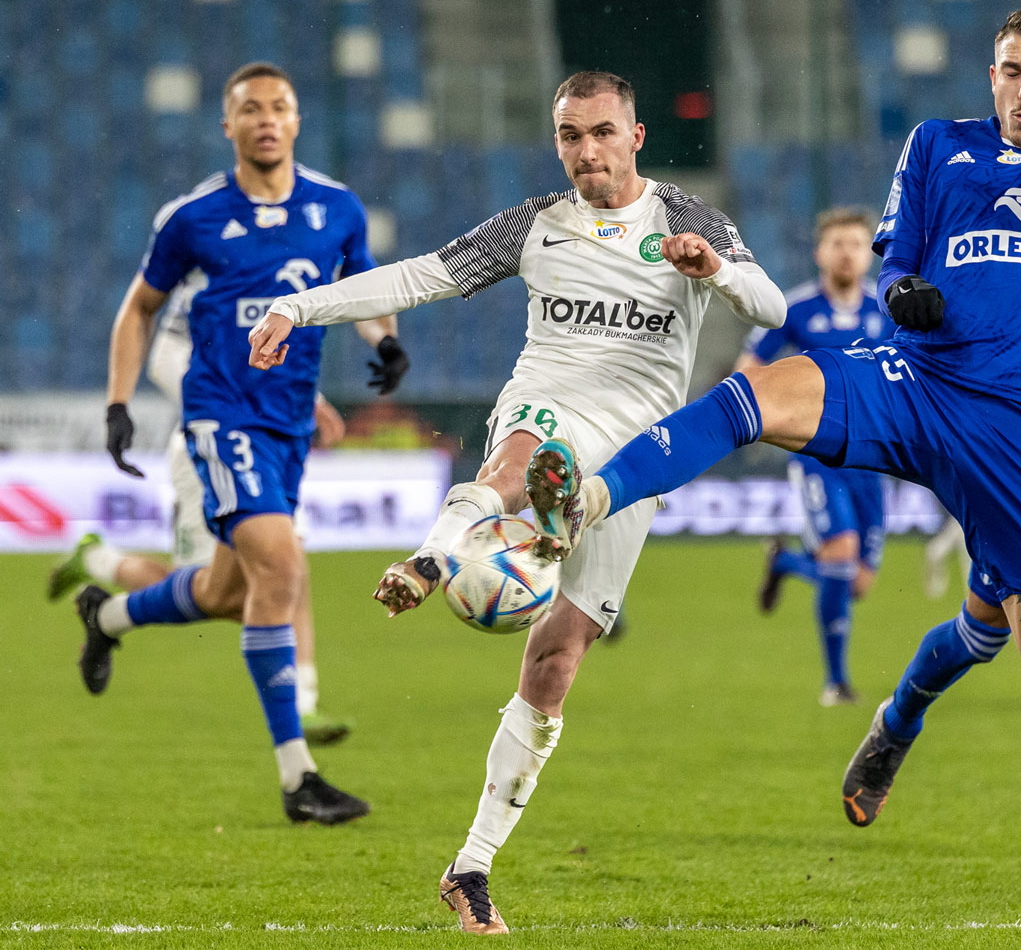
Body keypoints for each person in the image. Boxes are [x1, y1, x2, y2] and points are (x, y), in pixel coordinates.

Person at [522, 0, 1021, 927]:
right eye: (1009, 72)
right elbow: (899, 254)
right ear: (989, 77)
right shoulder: (939, 146)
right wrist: (903, 292)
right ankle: (593, 497)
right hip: (922, 382)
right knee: (762, 390)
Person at [245, 71, 786, 933]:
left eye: (602, 133)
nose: (586, 152)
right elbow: (421, 276)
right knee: (520, 455)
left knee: (555, 662)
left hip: (633, 460)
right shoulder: (535, 224)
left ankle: (471, 867)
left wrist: (715, 269)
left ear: (636, 136)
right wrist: (299, 307)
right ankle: (434, 555)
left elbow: (773, 304)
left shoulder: (686, 218)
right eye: (570, 136)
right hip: (549, 402)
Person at [72, 61, 404, 824]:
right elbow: (139, 309)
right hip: (221, 416)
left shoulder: (335, 209)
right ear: (228, 126)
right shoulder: (193, 218)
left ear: (295, 122)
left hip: (288, 425)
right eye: (249, 109)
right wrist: (119, 403)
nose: (265, 119)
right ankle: (298, 779)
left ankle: (108, 616)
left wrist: (384, 343)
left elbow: (368, 289)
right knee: (283, 565)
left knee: (227, 593)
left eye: (279, 107)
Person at [47, 282, 387, 744]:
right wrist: (232, 410)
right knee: (207, 590)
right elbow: (166, 361)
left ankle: (304, 704)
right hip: (208, 448)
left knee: (289, 568)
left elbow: (273, 356)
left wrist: (311, 400)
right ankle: (98, 563)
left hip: (267, 447)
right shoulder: (210, 272)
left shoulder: (281, 268)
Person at [737, 207, 892, 706]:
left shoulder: (888, 309)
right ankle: (836, 682)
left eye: (856, 243)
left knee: (859, 583)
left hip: (872, 461)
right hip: (817, 459)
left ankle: (784, 561)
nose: (847, 252)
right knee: (842, 555)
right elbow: (749, 367)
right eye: (837, 243)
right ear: (819, 252)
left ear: (870, 251)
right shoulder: (795, 310)